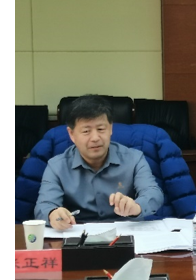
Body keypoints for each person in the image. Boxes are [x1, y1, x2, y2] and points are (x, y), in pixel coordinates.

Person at [35, 95, 164, 229]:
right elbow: (43, 206)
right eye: (86, 131)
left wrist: (136, 207)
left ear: (111, 129)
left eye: (101, 129)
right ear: (71, 134)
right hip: (78, 233)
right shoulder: (56, 166)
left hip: (125, 232)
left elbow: (153, 193)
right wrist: (53, 214)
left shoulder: (134, 158)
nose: (95, 138)